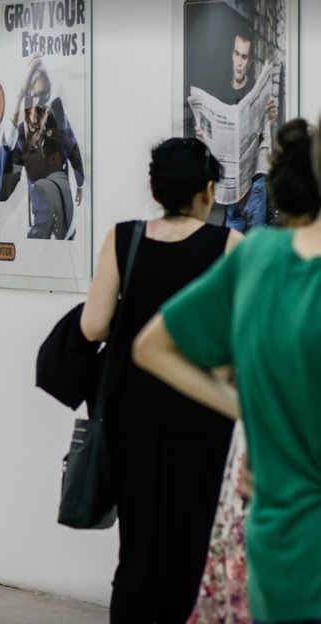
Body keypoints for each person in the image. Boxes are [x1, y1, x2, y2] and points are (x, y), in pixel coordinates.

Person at [157, 118, 321, 624]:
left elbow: (147, 343)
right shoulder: (245, 251)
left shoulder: (256, 254)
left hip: (278, 537)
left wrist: (252, 414)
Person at [78, 137, 242, 622]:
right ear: (208, 192)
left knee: (140, 543)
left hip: (134, 415)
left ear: (156, 189)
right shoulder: (230, 246)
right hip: (205, 414)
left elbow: (94, 326)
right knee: (199, 536)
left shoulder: (123, 239)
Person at [192, 28, 277, 232]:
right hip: (230, 186)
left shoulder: (255, 91)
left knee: (255, 243)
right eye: (237, 55)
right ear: (232, 55)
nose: (239, 62)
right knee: (231, 243)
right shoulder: (219, 91)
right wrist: (203, 137)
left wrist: (271, 120)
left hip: (254, 184)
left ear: (249, 62)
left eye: (244, 57)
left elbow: (265, 141)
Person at [0, 52, 84, 230]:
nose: (35, 108)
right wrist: (19, 96)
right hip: (37, 220)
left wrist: (80, 185)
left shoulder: (59, 124)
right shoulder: (21, 135)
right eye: (30, 97)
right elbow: (2, 191)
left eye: (42, 97)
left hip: (62, 219)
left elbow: (74, 153)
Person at [22, 126, 74, 240]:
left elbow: (38, 241)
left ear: (53, 159)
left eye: (32, 151)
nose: (25, 157)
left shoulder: (41, 188)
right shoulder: (69, 188)